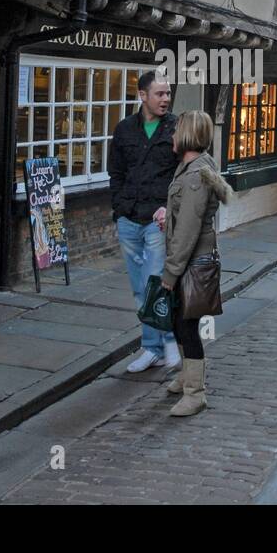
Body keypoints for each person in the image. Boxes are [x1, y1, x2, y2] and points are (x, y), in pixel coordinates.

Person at [160, 111, 232, 417]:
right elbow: (184, 217)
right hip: (192, 258)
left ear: (188, 136)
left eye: (177, 131)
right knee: (180, 320)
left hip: (191, 261)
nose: (172, 136)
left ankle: (195, 393)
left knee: (186, 325)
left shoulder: (192, 177)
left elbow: (188, 231)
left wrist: (170, 274)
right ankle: (186, 377)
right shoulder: (195, 167)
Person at [108, 71, 180, 374]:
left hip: (157, 219)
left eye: (167, 94)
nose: (165, 99)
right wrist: (120, 208)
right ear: (142, 95)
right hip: (129, 217)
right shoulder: (124, 129)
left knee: (154, 282)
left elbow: (185, 174)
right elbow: (116, 173)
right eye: (159, 94)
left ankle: (165, 342)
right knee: (140, 289)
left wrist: (169, 207)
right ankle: (155, 347)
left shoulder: (177, 128)